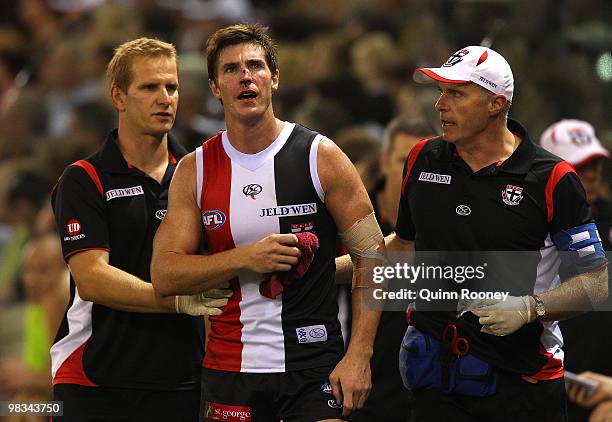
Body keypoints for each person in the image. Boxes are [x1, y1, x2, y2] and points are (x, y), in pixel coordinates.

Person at [151, 23, 384, 422]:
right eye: (231, 69)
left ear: (274, 79)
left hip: (314, 366)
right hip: (230, 371)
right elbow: (165, 274)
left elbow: (374, 257)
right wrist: (245, 258)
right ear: (214, 87)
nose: (245, 76)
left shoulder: (320, 156)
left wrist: (360, 353)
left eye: (255, 65)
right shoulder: (196, 169)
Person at [390, 46, 608, 421]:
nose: (440, 105)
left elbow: (596, 282)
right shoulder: (423, 158)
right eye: (441, 92)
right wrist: (325, 268)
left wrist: (530, 308)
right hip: (436, 379)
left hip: (522, 386)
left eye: (457, 93)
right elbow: (401, 247)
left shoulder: (552, 179)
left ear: (496, 103)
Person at [50, 37, 230, 422]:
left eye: (172, 87)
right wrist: (176, 302)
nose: (164, 98)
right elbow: (92, 279)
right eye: (150, 87)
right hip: (94, 379)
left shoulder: (200, 174)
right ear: (119, 96)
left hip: (183, 378)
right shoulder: (85, 179)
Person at [350, 115, 437, 422]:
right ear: (385, 162)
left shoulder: (447, 226)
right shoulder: (351, 222)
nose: (414, 173)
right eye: (404, 161)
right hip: (361, 396)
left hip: (429, 400)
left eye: (423, 163)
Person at [540, 119, 612, 422]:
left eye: (595, 165)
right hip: (544, 385)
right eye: (580, 167)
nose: (592, 175)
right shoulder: (523, 229)